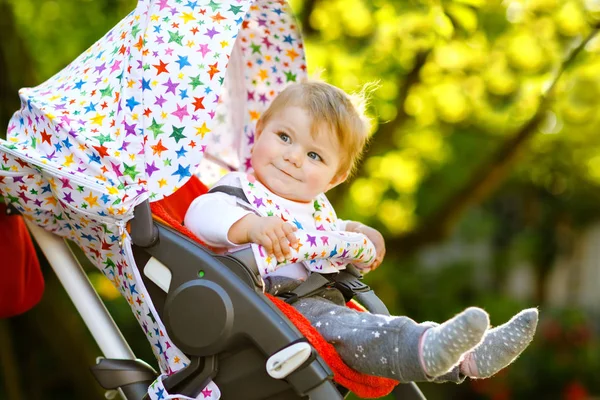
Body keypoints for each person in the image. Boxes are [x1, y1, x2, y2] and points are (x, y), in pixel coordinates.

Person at [184, 81, 538, 383]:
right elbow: (201, 216)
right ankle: (434, 348)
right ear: (259, 131)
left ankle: (465, 358)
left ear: (335, 178)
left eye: (314, 155)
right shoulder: (239, 191)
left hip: (318, 300)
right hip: (268, 307)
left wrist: (356, 233)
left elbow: (331, 235)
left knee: (370, 327)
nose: (293, 157)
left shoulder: (315, 210)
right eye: (284, 137)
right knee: (358, 331)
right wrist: (252, 227)